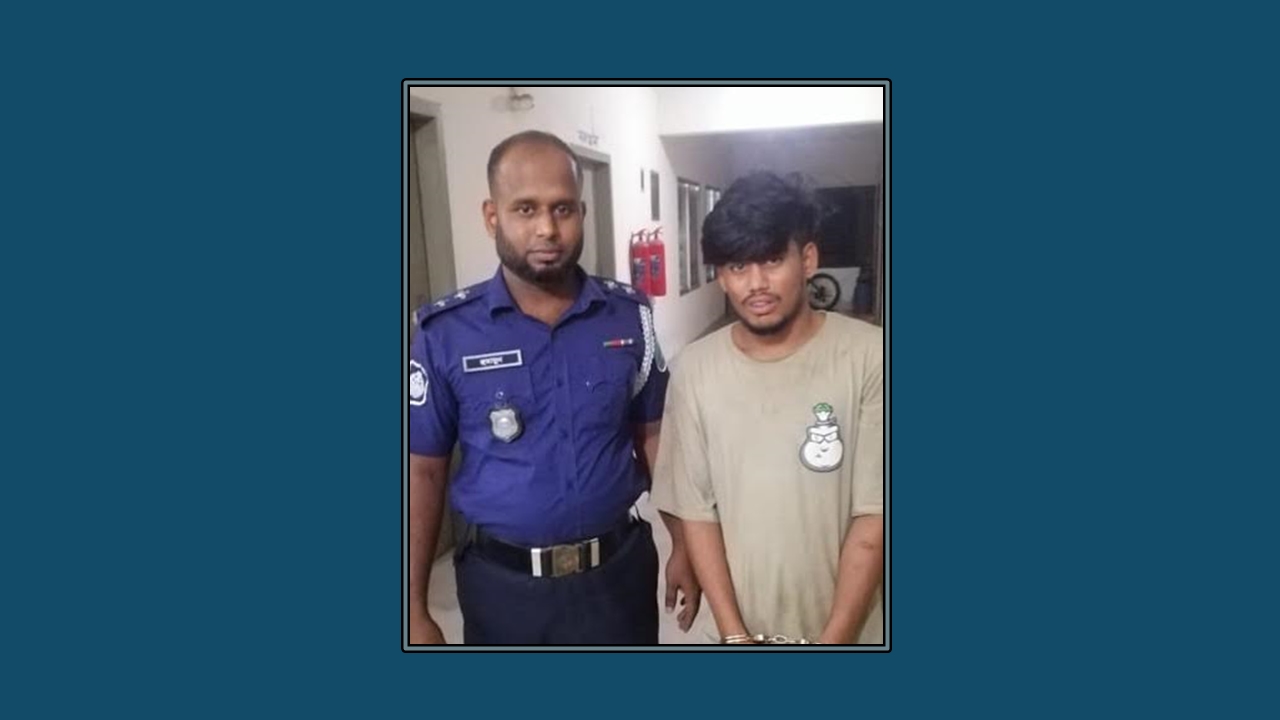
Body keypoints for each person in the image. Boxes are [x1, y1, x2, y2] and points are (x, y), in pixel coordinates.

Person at [408, 130, 700, 645]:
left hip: (618, 579)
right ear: (492, 216)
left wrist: (683, 543)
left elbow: (655, 440)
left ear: (581, 213)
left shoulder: (629, 317)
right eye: (525, 209)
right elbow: (423, 471)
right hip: (502, 590)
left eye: (562, 209)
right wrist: (411, 605)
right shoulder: (445, 334)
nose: (547, 228)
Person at [651, 171, 884, 645]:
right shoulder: (694, 371)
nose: (756, 284)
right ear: (721, 276)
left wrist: (834, 643)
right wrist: (735, 637)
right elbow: (698, 512)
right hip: (737, 634)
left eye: (773, 260)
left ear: (808, 259)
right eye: (738, 266)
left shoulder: (872, 357)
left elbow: (874, 517)